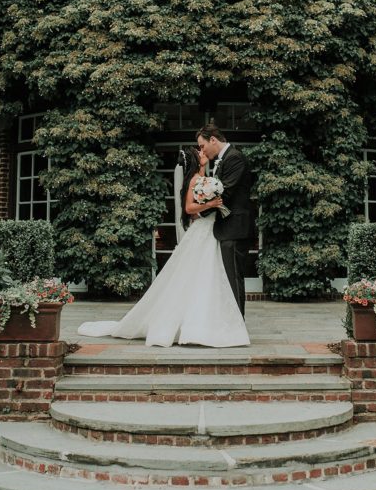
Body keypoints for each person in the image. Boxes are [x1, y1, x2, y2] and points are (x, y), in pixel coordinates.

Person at [77, 145, 250, 348]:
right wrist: (210, 204)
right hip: (203, 231)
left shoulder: (206, 178)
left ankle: (206, 323)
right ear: (195, 160)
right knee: (198, 275)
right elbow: (189, 208)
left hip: (211, 232)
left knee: (206, 277)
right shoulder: (194, 180)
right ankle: (192, 325)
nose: (203, 153)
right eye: (199, 152)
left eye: (203, 149)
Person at [196, 125, 254, 319]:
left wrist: (201, 210)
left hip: (235, 228)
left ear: (213, 139)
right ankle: (230, 321)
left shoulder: (234, 157)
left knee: (233, 277)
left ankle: (237, 323)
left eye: (203, 146)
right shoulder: (222, 160)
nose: (202, 151)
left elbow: (226, 192)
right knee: (227, 277)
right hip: (227, 228)